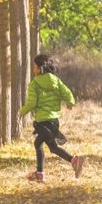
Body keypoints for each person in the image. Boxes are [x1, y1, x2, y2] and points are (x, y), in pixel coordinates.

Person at [20, 54, 85, 182]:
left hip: (42, 122)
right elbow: (67, 93)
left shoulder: (34, 84)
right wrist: (70, 103)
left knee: (44, 145)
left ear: (40, 68)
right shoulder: (56, 81)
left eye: (34, 67)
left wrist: (21, 112)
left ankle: (43, 172)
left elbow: (32, 103)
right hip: (54, 121)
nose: (33, 70)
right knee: (47, 146)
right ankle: (44, 172)